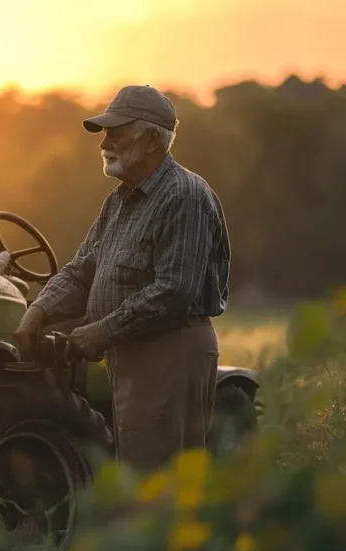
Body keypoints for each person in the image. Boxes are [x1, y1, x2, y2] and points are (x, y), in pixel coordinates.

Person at [14, 84, 231, 472]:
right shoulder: (119, 200)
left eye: (116, 132)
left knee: (159, 485)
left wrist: (102, 331)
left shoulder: (183, 194)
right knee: (136, 475)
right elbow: (82, 271)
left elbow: (174, 290)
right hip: (132, 355)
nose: (104, 144)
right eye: (104, 133)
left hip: (171, 353)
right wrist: (39, 311)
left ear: (151, 140)